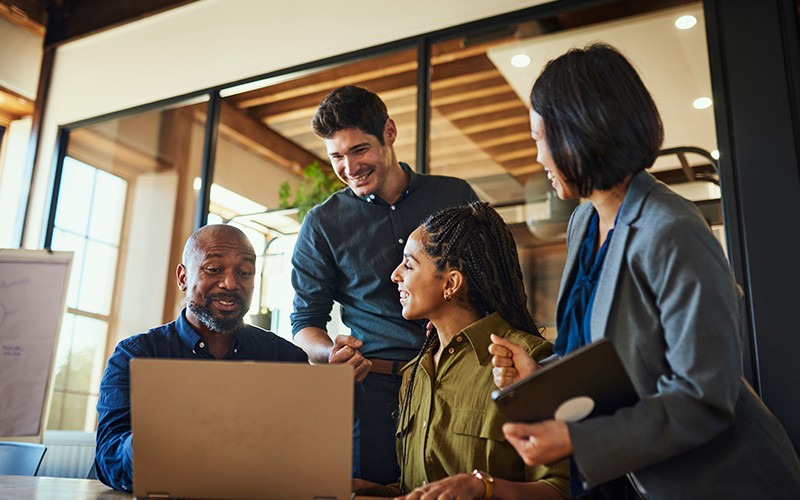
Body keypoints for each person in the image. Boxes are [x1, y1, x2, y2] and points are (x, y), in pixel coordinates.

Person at [489, 43, 800, 500]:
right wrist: (537, 372)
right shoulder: (584, 221)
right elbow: (614, 352)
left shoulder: (672, 228)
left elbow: (702, 395)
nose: (537, 157)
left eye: (539, 138)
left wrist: (579, 438)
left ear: (580, 131)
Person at [290, 85, 479, 484]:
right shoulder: (322, 225)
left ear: (389, 133)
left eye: (359, 150)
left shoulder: (454, 195)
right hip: (374, 391)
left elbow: (489, 282)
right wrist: (329, 354)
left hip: (459, 380)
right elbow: (304, 322)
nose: (349, 167)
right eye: (336, 156)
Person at [353, 201, 569, 499]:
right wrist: (373, 491)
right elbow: (420, 488)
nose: (395, 275)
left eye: (409, 264)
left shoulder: (526, 359)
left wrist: (484, 487)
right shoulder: (415, 372)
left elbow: (559, 489)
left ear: (451, 283)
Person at [95, 224, 308, 493]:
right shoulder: (135, 356)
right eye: (214, 269)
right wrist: (148, 441)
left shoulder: (286, 360)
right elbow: (107, 460)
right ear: (183, 277)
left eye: (244, 272)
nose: (231, 283)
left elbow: (305, 455)